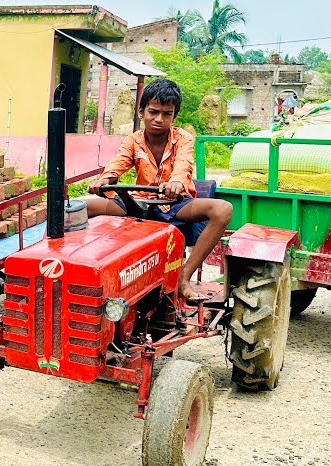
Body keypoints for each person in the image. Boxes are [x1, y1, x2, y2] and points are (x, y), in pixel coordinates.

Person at [86, 79, 233, 301]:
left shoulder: (183, 138)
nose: (159, 119)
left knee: (223, 210)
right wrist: (106, 178)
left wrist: (175, 182)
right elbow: (119, 162)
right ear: (141, 111)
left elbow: (184, 165)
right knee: (77, 207)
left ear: (174, 116)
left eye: (167, 114)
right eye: (153, 112)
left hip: (176, 205)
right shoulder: (133, 140)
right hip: (138, 204)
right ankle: (85, 271)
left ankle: (183, 278)